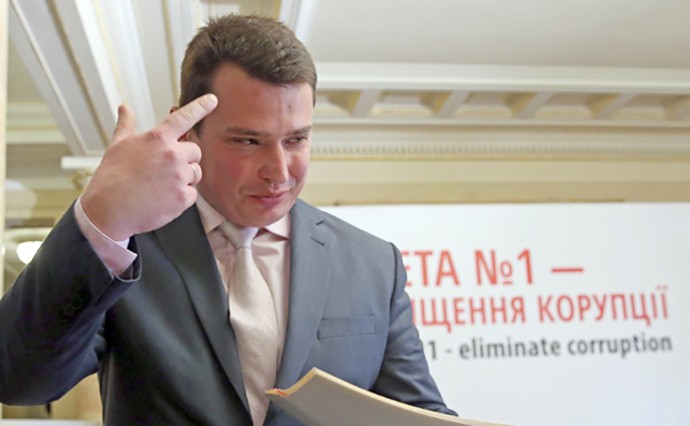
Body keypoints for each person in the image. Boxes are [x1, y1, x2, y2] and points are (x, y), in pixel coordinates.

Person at [0, 14, 455, 425]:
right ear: (187, 131)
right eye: (248, 142)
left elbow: (420, 415)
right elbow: (18, 380)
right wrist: (102, 218)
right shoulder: (127, 245)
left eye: (296, 140)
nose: (279, 172)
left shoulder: (373, 264)